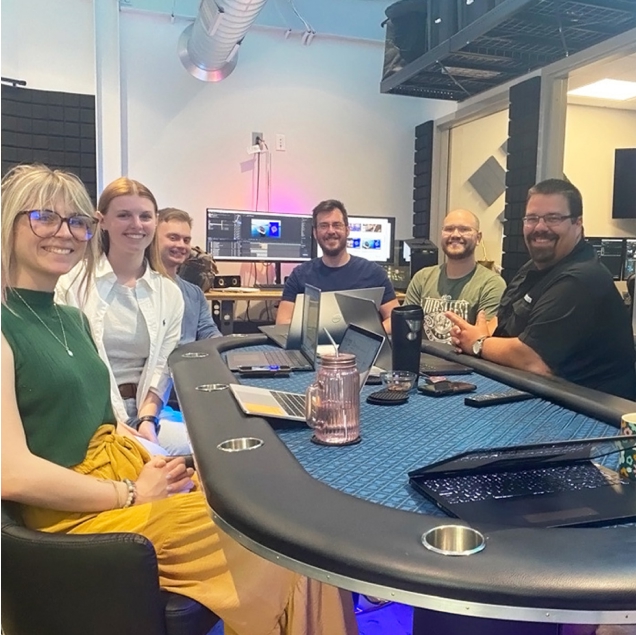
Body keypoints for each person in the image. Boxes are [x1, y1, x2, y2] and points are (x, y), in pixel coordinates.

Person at [1, 164, 358, 635]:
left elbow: (104, 420)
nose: (64, 233)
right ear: (9, 223)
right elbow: (11, 473)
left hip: (124, 468)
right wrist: (129, 492)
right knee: (292, 543)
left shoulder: (71, 318)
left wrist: (155, 460)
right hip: (74, 514)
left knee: (281, 512)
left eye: (76, 222)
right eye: (45, 218)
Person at [447, 178, 636, 400]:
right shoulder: (536, 267)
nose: (540, 228)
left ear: (577, 223)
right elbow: (504, 320)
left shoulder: (581, 279)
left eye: (553, 218)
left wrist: (478, 344)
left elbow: (533, 359)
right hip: (546, 398)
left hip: (595, 417)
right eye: (532, 218)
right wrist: (478, 333)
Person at [56, 177, 188, 455]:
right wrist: (112, 420)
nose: (136, 225)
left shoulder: (169, 293)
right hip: (91, 415)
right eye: (124, 215)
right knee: (160, 464)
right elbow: (70, 370)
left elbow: (164, 366)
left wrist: (148, 420)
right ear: (102, 221)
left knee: (213, 453)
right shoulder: (71, 283)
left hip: (147, 413)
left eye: (145, 216)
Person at [276, 199, 399, 332]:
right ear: (315, 233)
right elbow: (282, 323)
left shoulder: (373, 273)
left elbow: (394, 319)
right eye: (323, 226)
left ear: (347, 230)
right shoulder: (300, 275)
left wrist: (367, 334)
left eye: (337, 225)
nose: (331, 231)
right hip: (313, 348)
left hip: (360, 348)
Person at [404, 208, 505, 344]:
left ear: (478, 238)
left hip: (464, 363)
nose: (455, 235)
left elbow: (484, 340)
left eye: (464, 229)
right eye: (449, 229)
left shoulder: (492, 284)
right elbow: (405, 325)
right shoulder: (422, 277)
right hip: (424, 361)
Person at [156, 207, 221, 344]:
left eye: (186, 240)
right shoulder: (140, 288)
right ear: (152, 240)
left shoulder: (195, 293)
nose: (181, 245)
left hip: (190, 361)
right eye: (173, 238)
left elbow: (208, 331)